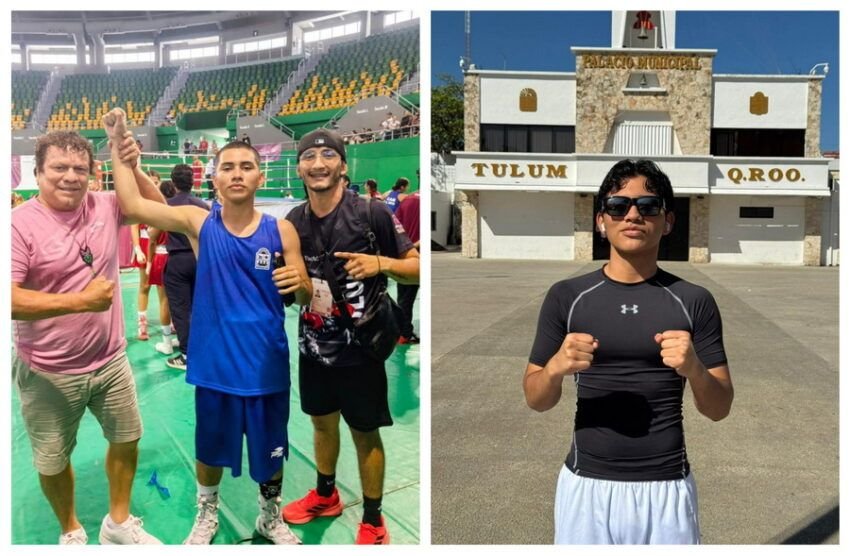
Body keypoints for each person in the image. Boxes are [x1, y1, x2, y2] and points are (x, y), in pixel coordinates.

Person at [104, 107, 312, 545]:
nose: (237, 174)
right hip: (215, 365)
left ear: (260, 177)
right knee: (209, 447)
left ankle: (268, 514)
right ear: (213, 179)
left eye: (246, 167)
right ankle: (207, 511)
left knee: (270, 448)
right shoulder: (199, 223)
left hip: (265, 366)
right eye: (228, 168)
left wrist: (303, 284)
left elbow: (305, 294)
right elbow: (134, 204)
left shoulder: (283, 231)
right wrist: (118, 151)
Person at [523, 159, 734, 545]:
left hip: (667, 487)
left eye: (648, 206)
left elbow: (719, 408)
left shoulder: (693, 301)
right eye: (618, 206)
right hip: (587, 488)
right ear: (601, 220)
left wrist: (694, 369)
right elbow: (536, 399)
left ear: (668, 220)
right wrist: (555, 368)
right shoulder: (567, 297)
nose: (633, 215)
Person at [11, 129, 165, 545]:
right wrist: (80, 302)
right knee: (52, 457)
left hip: (111, 360)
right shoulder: (19, 225)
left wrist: (132, 164)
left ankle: (117, 524)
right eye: (59, 168)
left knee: (127, 438)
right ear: (38, 173)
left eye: (80, 168)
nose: (70, 177)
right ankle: (71, 531)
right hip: (48, 370)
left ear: (94, 175)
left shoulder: (105, 205)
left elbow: (156, 209)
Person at [283, 129, 420, 544]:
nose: (318, 163)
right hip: (313, 348)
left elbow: (417, 265)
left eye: (328, 155)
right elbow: (294, 290)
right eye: (309, 156)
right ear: (300, 167)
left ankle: (374, 517)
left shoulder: (371, 213)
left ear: (343, 165)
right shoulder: (293, 222)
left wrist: (380, 263)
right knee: (322, 426)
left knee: (364, 433)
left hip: (362, 349)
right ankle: (326, 495)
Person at [161, 163, 210, 371]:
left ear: (173, 182)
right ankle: (205, 349)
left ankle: (188, 355)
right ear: (193, 182)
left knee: (181, 309)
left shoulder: (168, 205)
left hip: (178, 261)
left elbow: (156, 231)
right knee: (201, 306)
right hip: (201, 259)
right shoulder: (202, 204)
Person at [145, 179, 180, 356]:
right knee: (182, 301)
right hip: (179, 257)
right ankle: (182, 338)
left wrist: (149, 263)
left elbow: (151, 238)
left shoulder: (163, 214)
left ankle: (167, 342)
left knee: (164, 301)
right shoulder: (182, 212)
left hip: (162, 257)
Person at [394, 191, 420, 344]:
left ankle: (404, 333)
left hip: (408, 256)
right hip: (414, 253)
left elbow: (395, 226)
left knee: (404, 299)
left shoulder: (407, 201)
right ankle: (404, 332)